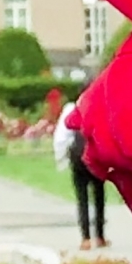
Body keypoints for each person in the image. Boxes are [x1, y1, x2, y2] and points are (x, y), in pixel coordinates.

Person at [55, 103, 107, 251]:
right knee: (99, 196)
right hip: (96, 158)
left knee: (82, 198)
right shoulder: (100, 106)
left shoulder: (72, 109)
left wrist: (62, 159)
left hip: (78, 159)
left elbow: (62, 136)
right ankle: (100, 236)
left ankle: (85, 238)